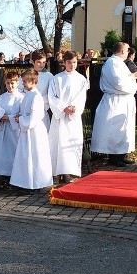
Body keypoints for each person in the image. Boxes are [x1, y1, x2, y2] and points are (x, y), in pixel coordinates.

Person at [91, 41, 137, 167]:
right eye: (128, 50)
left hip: (124, 100)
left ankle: (122, 154)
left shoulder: (119, 63)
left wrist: (131, 77)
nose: (129, 52)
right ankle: (114, 157)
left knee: (124, 129)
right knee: (115, 129)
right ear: (122, 51)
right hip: (116, 100)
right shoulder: (112, 63)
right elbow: (118, 82)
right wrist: (132, 77)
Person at [48, 51, 89, 183]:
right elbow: (52, 97)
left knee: (71, 144)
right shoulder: (57, 78)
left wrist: (74, 108)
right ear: (64, 63)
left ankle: (68, 172)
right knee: (58, 143)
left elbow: (82, 97)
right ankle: (56, 172)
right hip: (60, 117)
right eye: (69, 62)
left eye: (75, 62)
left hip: (73, 117)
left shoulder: (81, 79)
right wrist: (63, 107)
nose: (72, 65)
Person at [9, 69, 53, 191]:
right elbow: (25, 112)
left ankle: (37, 182)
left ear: (33, 81)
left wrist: (21, 119)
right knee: (26, 155)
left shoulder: (36, 96)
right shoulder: (28, 94)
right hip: (26, 130)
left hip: (34, 131)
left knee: (35, 156)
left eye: (24, 81)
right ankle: (26, 182)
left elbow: (35, 116)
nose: (22, 84)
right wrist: (19, 116)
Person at [0, 71, 24, 179]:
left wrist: (9, 117)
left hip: (15, 130)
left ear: (17, 83)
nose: (10, 85)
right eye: (8, 83)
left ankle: (16, 175)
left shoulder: (21, 97)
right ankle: (3, 175)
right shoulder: (1, 98)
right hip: (3, 129)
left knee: (13, 151)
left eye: (13, 83)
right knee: (2, 151)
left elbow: (22, 113)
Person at [19, 50, 53, 129]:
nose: (42, 65)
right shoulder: (26, 75)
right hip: (27, 111)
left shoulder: (49, 76)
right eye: (39, 62)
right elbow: (19, 90)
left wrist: (39, 100)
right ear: (32, 61)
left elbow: (51, 93)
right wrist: (28, 99)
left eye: (44, 62)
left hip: (42, 111)